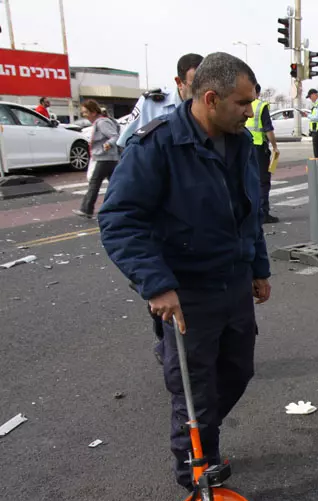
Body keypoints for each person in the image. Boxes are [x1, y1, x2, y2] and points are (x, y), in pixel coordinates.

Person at [98, 52, 271, 490]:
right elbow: (119, 219)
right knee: (192, 393)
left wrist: (259, 267)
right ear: (210, 99)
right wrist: (156, 285)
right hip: (186, 292)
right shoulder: (156, 146)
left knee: (236, 372)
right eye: (243, 103)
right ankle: (197, 480)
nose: (250, 112)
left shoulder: (241, 145)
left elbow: (247, 214)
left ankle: (202, 440)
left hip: (232, 284)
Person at [117, 53, 203, 365]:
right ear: (180, 83)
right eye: (193, 85)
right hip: (159, 212)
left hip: (191, 211)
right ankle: (166, 342)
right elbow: (127, 142)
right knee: (162, 289)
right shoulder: (153, 104)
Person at [118, 53, 204, 149]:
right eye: (195, 86)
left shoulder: (212, 108)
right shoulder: (151, 104)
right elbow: (127, 142)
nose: (202, 92)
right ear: (179, 82)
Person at [73, 100, 119, 219]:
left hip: (105, 158)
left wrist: (108, 144)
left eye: (86, 112)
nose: (84, 115)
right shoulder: (100, 122)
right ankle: (125, 205)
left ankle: (86, 209)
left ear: (93, 112)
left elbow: (114, 135)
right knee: (116, 184)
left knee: (94, 184)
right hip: (108, 158)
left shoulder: (102, 123)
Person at [246, 83, 280, 224]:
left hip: (244, 146)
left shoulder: (241, 104)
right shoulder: (261, 106)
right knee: (263, 181)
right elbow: (268, 129)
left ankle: (250, 213)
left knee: (248, 180)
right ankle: (263, 213)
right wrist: (275, 146)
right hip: (259, 147)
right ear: (258, 93)